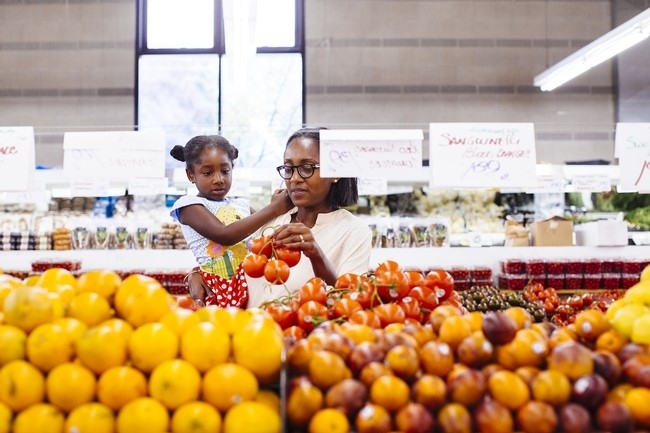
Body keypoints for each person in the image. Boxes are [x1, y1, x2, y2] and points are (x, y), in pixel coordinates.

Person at [246, 127, 373, 308]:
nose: (295, 178)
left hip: (300, 335)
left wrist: (316, 254)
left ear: (334, 173)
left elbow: (351, 302)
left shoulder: (353, 231)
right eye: (289, 168)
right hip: (247, 331)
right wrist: (197, 273)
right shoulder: (273, 220)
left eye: (307, 168)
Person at [169, 135, 293, 308]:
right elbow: (225, 235)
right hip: (220, 287)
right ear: (191, 175)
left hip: (251, 281)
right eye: (207, 173)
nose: (218, 179)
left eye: (225, 171)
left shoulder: (241, 204)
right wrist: (273, 208)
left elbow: (264, 232)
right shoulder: (188, 206)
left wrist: (278, 209)